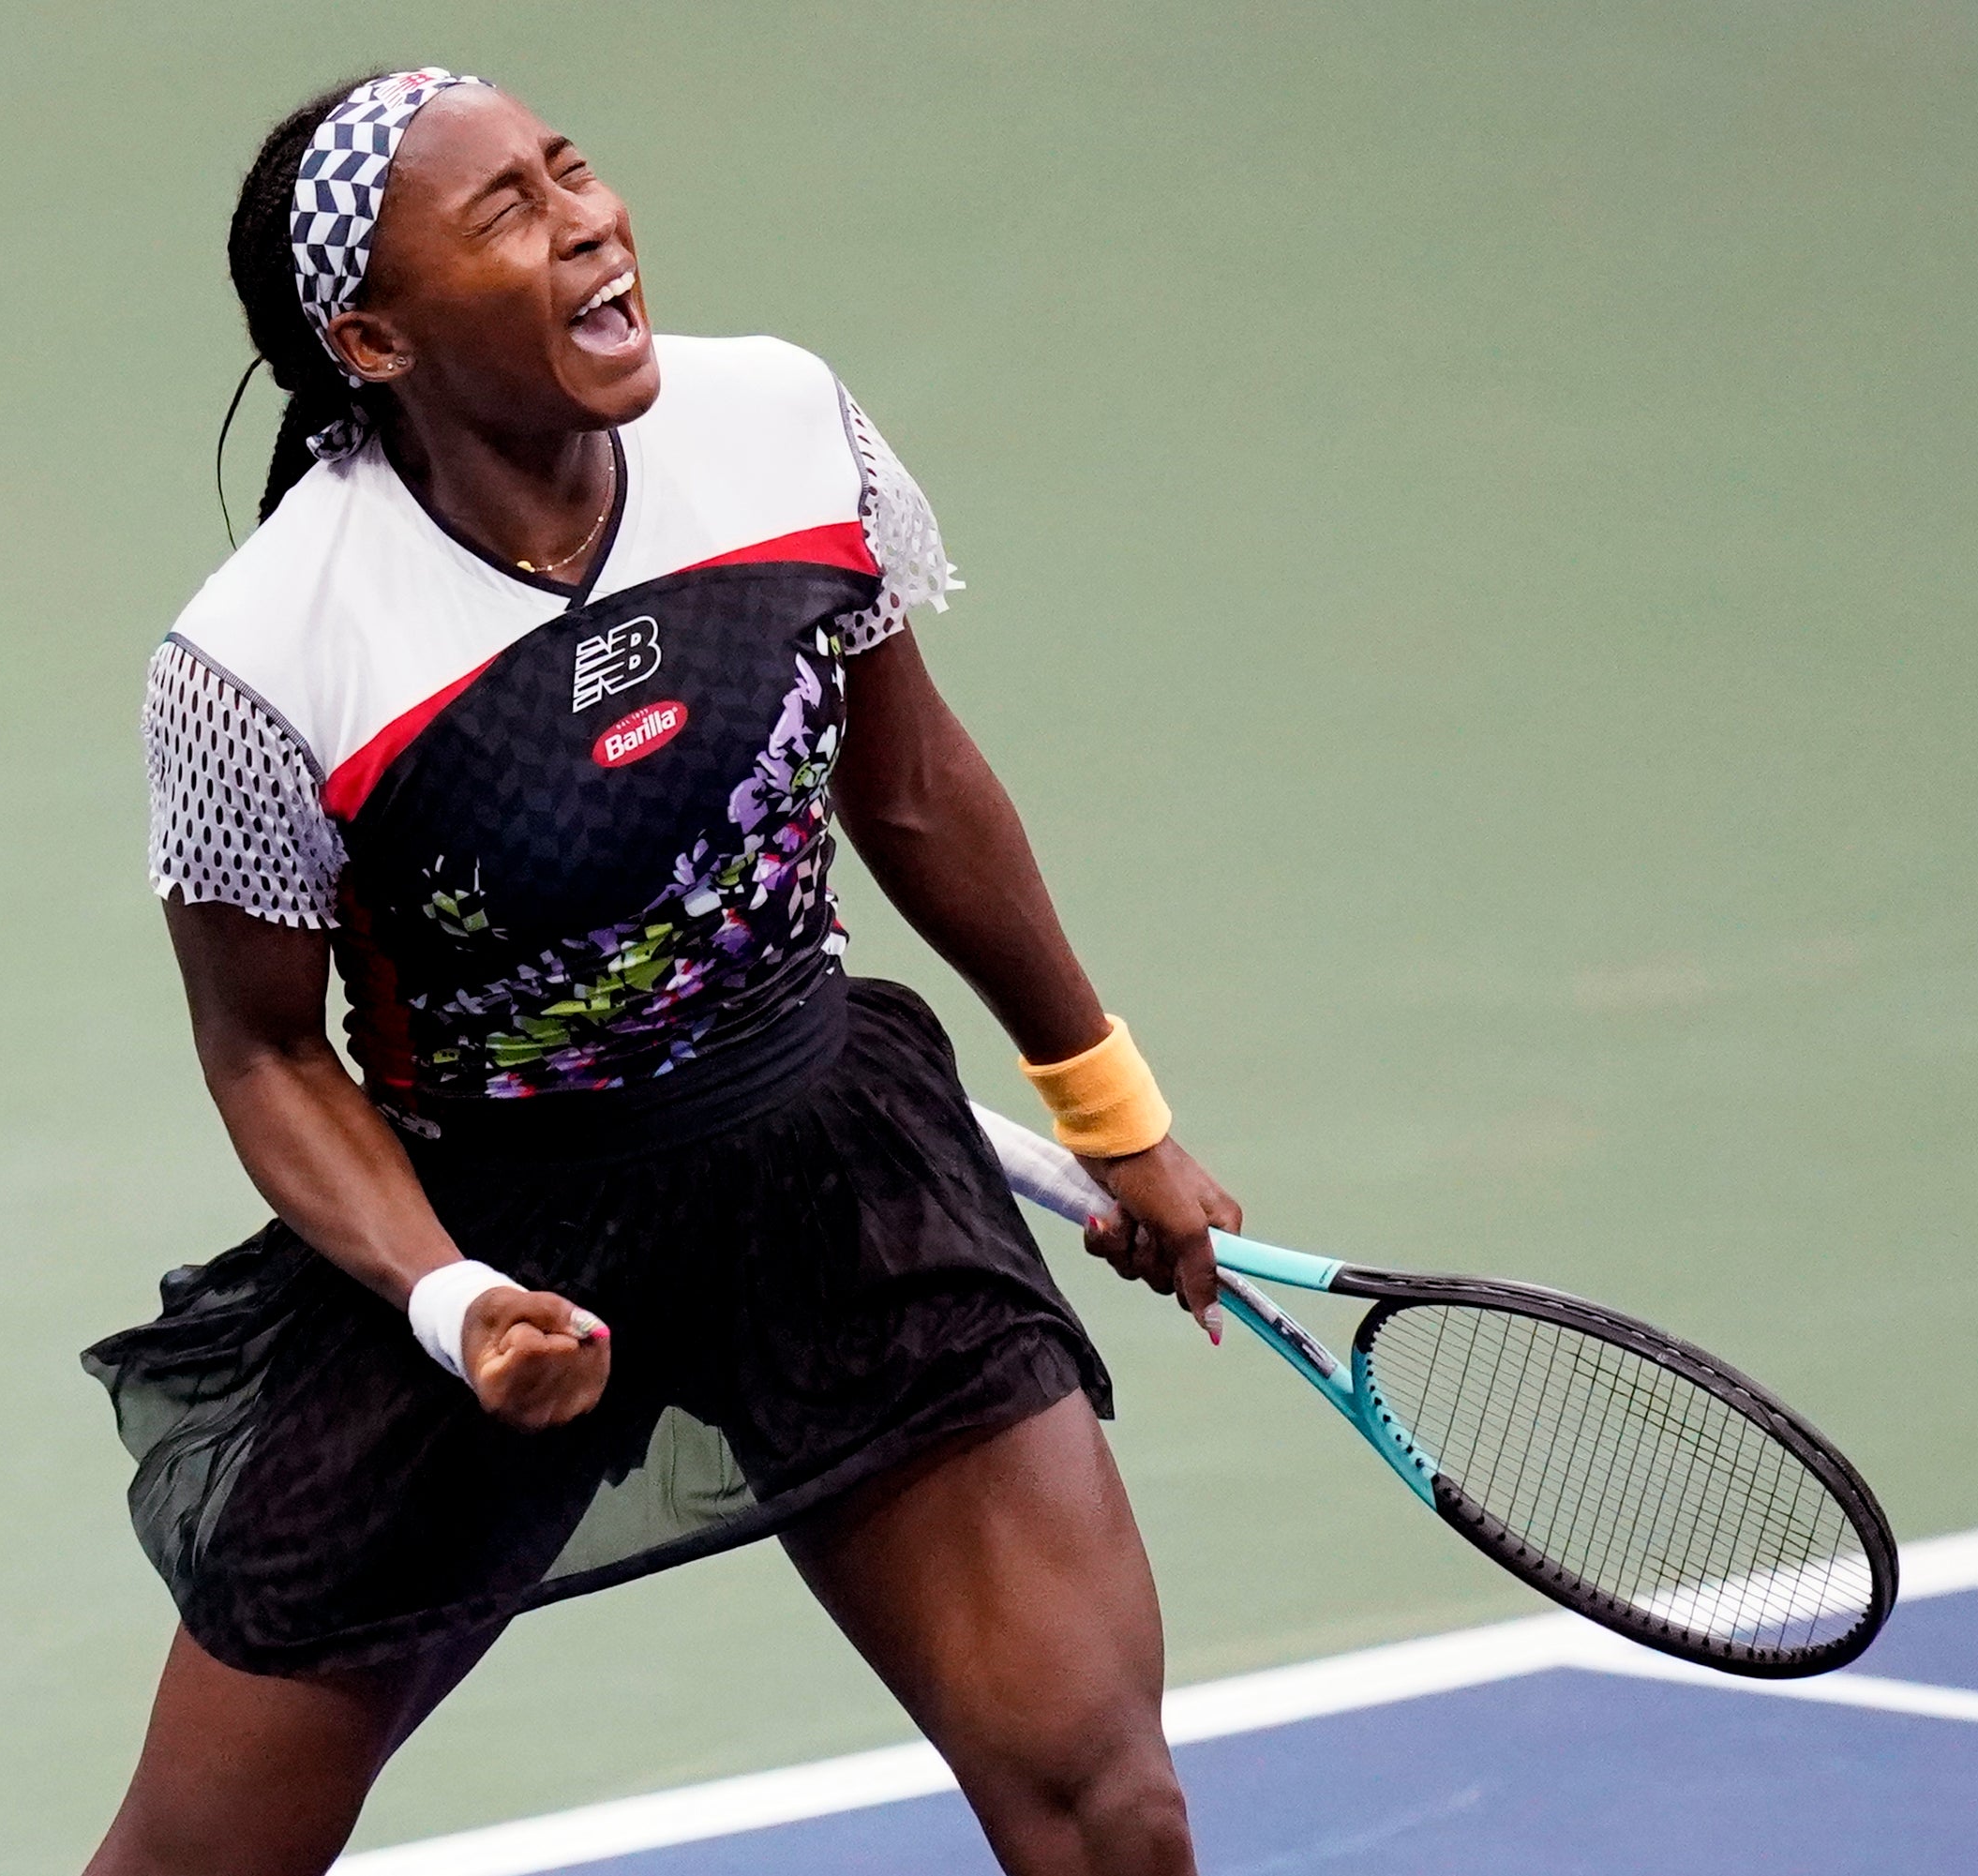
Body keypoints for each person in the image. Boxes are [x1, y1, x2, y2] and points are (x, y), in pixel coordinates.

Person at [82, 68, 1242, 1876]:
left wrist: (1118, 1111)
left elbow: (913, 790)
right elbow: (266, 1055)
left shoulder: (778, 422)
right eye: (507, 215)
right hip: (498, 1234)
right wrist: (450, 1303)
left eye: (571, 173)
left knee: (1108, 1804)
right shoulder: (265, 654)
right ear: (371, 335)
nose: (587, 221)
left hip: (831, 1175)